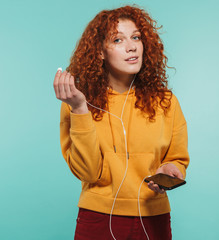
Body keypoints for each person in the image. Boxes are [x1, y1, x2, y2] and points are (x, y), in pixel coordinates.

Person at [53, 5, 189, 240]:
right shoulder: (78, 102)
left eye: (136, 37)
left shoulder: (166, 102)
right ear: (100, 52)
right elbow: (88, 173)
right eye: (118, 40)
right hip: (98, 218)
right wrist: (79, 108)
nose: (132, 46)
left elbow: (176, 158)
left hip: (153, 217)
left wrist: (171, 170)